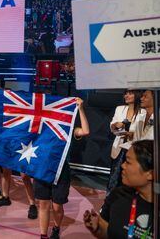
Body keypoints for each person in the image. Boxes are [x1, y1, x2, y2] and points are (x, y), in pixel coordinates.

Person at [35, 97, 90, 239]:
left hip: (61, 171)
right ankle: (43, 235)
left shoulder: (68, 129)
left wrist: (81, 109)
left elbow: (85, 131)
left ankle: (56, 228)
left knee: (57, 207)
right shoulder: (41, 128)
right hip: (42, 169)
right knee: (43, 204)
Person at [84, 140, 154, 239]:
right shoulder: (117, 196)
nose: (122, 165)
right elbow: (109, 233)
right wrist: (98, 229)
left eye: (128, 162)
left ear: (151, 174)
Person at [107, 90, 144, 194]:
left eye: (130, 93)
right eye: (126, 93)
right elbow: (112, 127)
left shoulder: (143, 112)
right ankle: (108, 202)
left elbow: (143, 134)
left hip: (133, 149)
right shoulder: (120, 109)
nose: (126, 96)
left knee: (129, 179)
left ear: (137, 95)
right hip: (118, 148)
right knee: (114, 178)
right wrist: (116, 126)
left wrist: (132, 134)